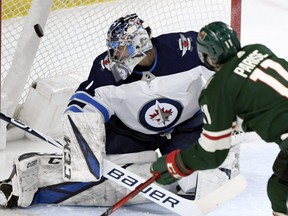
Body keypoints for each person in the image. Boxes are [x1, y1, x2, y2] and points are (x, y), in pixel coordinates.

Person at [0, 15, 239, 208]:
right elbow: (87, 101)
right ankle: (29, 178)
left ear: (140, 43)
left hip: (187, 127)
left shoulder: (184, 49)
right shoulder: (107, 70)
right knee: (94, 174)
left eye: (121, 49)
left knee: (199, 180)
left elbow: (229, 74)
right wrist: (81, 125)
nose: (114, 55)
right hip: (131, 133)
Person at [150, 21, 288, 216]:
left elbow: (212, 154)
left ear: (208, 56)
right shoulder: (258, 50)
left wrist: (177, 164)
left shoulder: (217, 89)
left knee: (282, 189)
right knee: (279, 186)